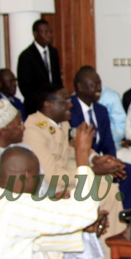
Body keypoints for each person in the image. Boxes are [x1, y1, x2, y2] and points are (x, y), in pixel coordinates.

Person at [24, 84, 124, 245]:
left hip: (65, 180)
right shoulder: (33, 129)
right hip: (48, 190)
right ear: (48, 104)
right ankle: (106, 254)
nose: (70, 104)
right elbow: (52, 176)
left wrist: (95, 159)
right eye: (64, 101)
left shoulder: (61, 123)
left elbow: (72, 149)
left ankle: (112, 249)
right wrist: (92, 171)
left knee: (109, 185)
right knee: (107, 190)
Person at [71, 65, 131, 213]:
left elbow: (108, 143)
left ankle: (124, 216)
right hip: (82, 162)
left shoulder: (101, 110)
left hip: (102, 159)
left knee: (129, 171)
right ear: (80, 87)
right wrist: (99, 162)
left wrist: (111, 162)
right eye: (94, 84)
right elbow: (74, 144)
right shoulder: (70, 109)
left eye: (99, 83)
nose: (99, 88)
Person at [16, 19, 61, 102]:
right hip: (36, 104)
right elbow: (25, 87)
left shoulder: (53, 52)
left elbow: (57, 79)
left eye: (50, 32)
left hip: (54, 102)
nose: (49, 35)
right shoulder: (26, 56)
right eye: (45, 32)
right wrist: (41, 101)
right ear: (35, 34)